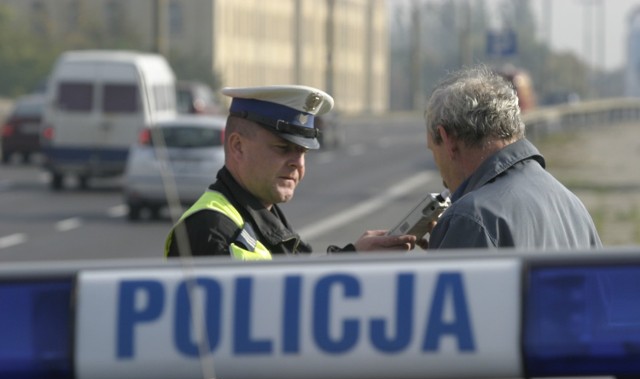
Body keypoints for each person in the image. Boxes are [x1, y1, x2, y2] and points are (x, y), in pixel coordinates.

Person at [165, 84, 416, 259]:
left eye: (303, 152)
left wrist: (354, 256)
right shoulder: (210, 227)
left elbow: (298, 285)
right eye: (283, 148)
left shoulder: (261, 213)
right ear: (237, 146)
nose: (297, 163)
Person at [422, 64, 602, 249]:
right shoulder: (572, 206)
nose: (442, 177)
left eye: (433, 150)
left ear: (447, 140)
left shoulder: (470, 218)